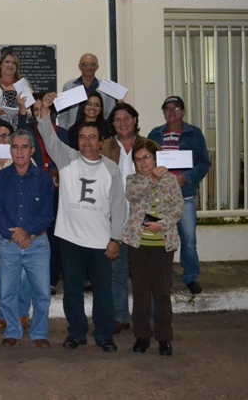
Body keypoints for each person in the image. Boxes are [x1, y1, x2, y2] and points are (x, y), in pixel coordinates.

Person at [37, 93, 127, 353]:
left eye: (92, 137)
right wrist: (44, 111)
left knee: (103, 291)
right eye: (82, 137)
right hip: (70, 239)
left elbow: (118, 206)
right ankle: (76, 332)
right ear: (77, 141)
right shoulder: (67, 160)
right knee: (73, 290)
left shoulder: (111, 168)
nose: (87, 142)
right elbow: (49, 138)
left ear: (101, 142)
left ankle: (103, 334)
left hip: (101, 242)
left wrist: (115, 238)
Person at [0, 129, 55, 348]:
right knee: (7, 291)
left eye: (24, 147)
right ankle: (13, 330)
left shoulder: (44, 179)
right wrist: (14, 234)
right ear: (10, 150)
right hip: (9, 243)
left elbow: (47, 213)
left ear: (32, 151)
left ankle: (40, 333)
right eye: (15, 147)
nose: (19, 152)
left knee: (41, 292)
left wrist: (25, 231)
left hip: (37, 243)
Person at [123, 138, 184, 356]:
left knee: (162, 293)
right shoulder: (133, 180)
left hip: (163, 244)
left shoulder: (170, 180)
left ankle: (164, 338)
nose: (142, 163)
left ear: (155, 157)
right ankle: (142, 336)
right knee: (140, 292)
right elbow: (132, 195)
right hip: (138, 244)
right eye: (138, 160)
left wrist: (163, 224)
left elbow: (178, 207)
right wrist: (151, 180)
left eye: (146, 157)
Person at [147, 96, 211, 295]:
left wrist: (186, 178)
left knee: (189, 240)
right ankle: (165, 277)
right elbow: (145, 161)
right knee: (161, 240)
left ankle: (191, 277)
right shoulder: (154, 134)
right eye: (167, 108)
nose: (171, 112)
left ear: (183, 111)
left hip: (185, 196)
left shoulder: (194, 133)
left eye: (176, 108)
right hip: (159, 197)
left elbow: (203, 163)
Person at [99, 103, 145, 334]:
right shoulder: (104, 147)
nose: (122, 123)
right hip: (114, 220)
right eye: (117, 120)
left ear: (135, 120)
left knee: (143, 275)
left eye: (127, 118)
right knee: (115, 272)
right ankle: (120, 316)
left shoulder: (148, 145)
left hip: (143, 220)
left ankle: (147, 319)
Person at [17, 94, 69, 295]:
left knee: (55, 234)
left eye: (43, 110)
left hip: (57, 191)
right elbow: (19, 134)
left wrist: (55, 169)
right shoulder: (29, 132)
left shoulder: (62, 133)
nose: (39, 114)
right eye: (35, 110)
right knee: (35, 233)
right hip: (34, 191)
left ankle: (52, 279)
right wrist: (22, 109)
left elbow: (66, 156)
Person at [0, 123, 32, 331]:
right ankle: (4, 313)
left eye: (5, 136)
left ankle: (21, 313)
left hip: (21, 226)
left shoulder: (26, 161)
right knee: (0, 270)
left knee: (22, 272)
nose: (1, 140)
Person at [58, 53, 116, 130]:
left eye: (92, 64)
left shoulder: (106, 88)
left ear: (97, 67)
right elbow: (63, 114)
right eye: (85, 64)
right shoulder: (69, 86)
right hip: (73, 133)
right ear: (79, 66)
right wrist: (64, 132)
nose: (88, 67)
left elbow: (109, 113)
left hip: (98, 133)